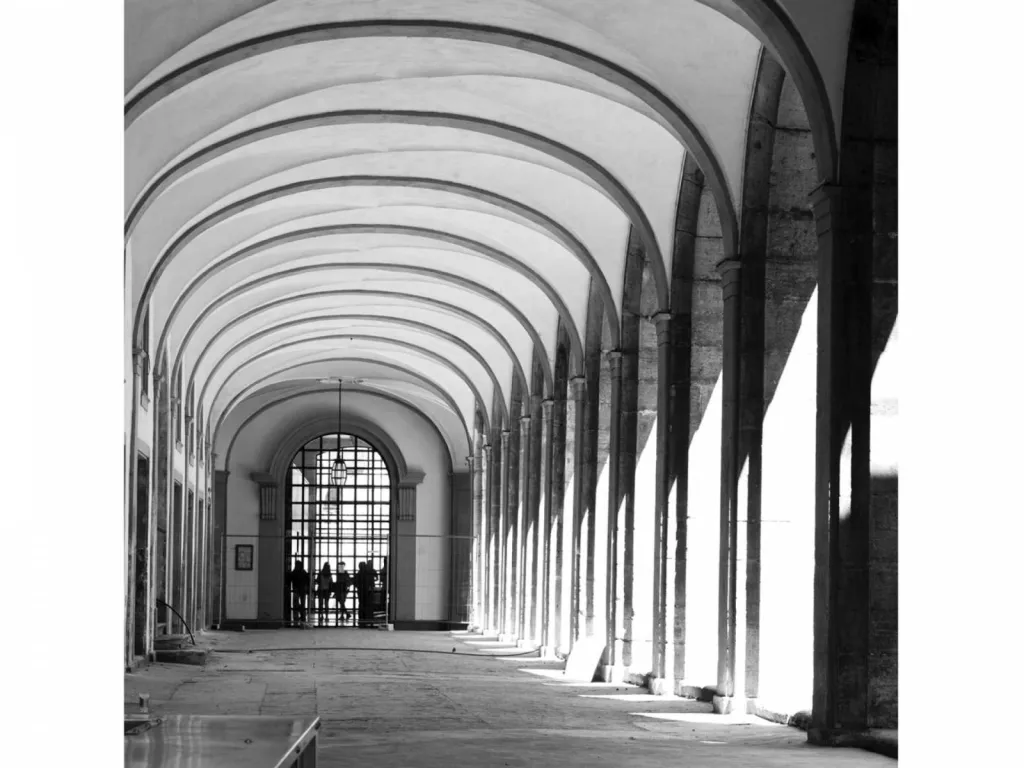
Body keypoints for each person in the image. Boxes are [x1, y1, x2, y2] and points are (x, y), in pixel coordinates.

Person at [289, 559, 309, 626]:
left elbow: (290, 579)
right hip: (301, 590)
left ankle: (297, 617)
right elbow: (307, 581)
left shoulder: (294, 572)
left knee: (296, 603)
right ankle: (302, 616)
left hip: (297, 590)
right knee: (301, 604)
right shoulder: (303, 572)